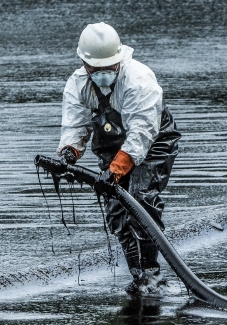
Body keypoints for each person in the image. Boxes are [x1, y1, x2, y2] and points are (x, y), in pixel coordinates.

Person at [57, 22, 181, 294]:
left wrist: (115, 171)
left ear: (118, 60)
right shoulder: (77, 85)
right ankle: (138, 276)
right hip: (112, 144)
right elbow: (76, 126)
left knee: (141, 200)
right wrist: (70, 152)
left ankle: (152, 274)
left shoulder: (138, 79)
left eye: (108, 69)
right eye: (95, 70)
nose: (102, 74)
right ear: (84, 63)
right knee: (117, 212)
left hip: (153, 141)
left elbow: (141, 133)